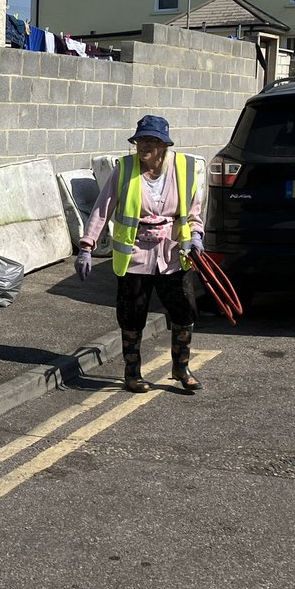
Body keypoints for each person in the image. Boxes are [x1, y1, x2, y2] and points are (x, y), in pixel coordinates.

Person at [77, 114, 204, 393]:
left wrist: (195, 236)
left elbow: (194, 211)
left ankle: (181, 368)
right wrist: (87, 246)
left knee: (184, 313)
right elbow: (102, 208)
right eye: (140, 140)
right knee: (132, 316)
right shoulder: (124, 169)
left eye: (151, 140)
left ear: (164, 145)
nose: (144, 146)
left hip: (173, 255)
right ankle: (132, 374)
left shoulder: (184, 168)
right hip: (135, 257)